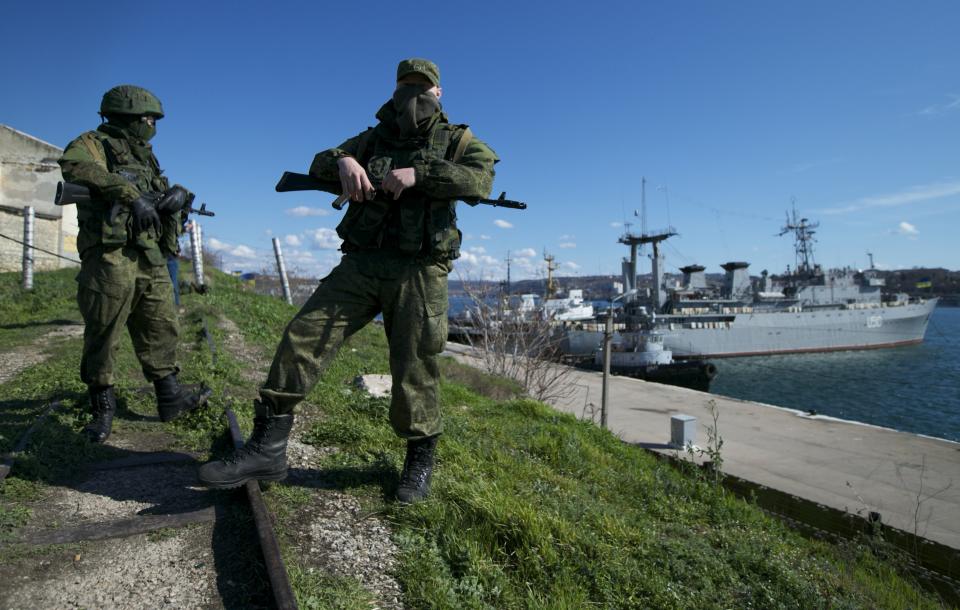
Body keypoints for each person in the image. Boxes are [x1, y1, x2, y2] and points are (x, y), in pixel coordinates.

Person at [198, 59, 498, 503]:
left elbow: (482, 180)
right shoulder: (371, 138)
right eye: (405, 87)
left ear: (438, 94)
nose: (413, 97)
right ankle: (268, 449)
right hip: (360, 264)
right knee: (304, 335)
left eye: (423, 89)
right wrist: (345, 162)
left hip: (419, 271)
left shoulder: (458, 141)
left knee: (415, 364)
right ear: (394, 89)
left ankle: (418, 463)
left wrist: (422, 174)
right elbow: (319, 161)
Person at [58, 85, 209, 443]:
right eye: (149, 119)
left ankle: (169, 397)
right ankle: (101, 408)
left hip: (149, 253)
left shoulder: (145, 157)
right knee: (105, 329)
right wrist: (130, 196)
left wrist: (179, 194)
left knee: (162, 323)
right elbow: (74, 166)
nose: (153, 125)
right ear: (129, 117)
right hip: (111, 254)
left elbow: (159, 189)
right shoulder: (94, 142)